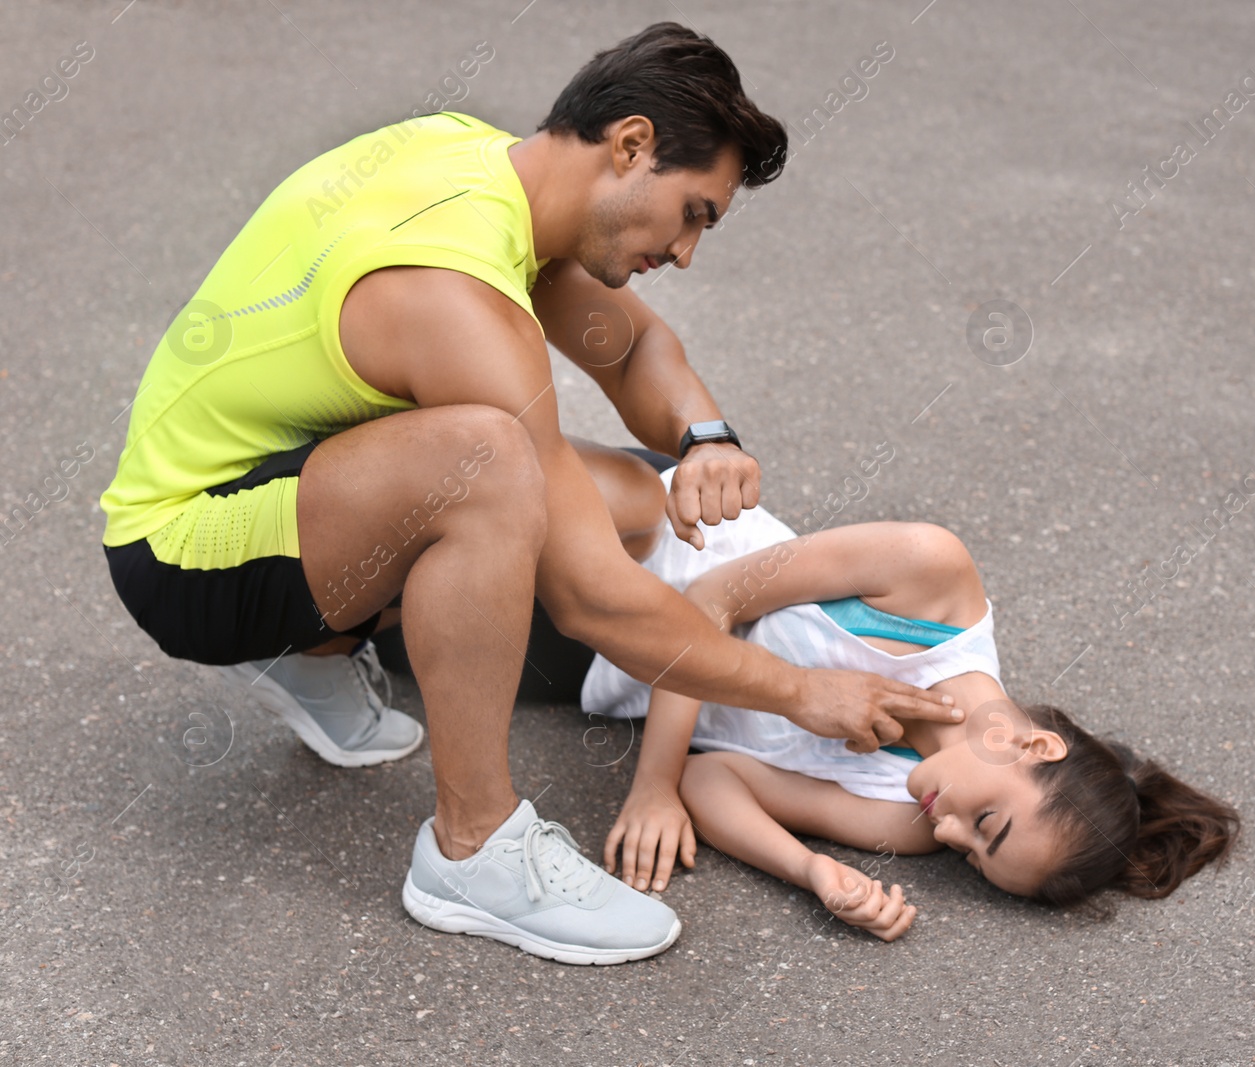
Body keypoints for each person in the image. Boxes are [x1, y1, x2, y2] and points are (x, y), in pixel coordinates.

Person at [97, 23, 961, 966]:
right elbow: (591, 597)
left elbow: (626, 345)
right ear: (630, 146)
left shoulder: (486, 167)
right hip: (183, 547)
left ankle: (313, 648)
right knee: (494, 466)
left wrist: (705, 437)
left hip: (278, 485)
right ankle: (473, 850)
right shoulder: (452, 298)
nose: (685, 252)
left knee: (633, 491)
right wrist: (803, 692)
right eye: (694, 213)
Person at [583, 462, 1240, 941]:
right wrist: (651, 787)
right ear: (1034, 745)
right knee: (542, 478)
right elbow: (708, 601)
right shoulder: (933, 581)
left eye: (970, 856)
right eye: (986, 823)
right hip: (648, 541)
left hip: (589, 664)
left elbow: (712, 775)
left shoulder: (911, 819)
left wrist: (812, 870)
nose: (949, 832)